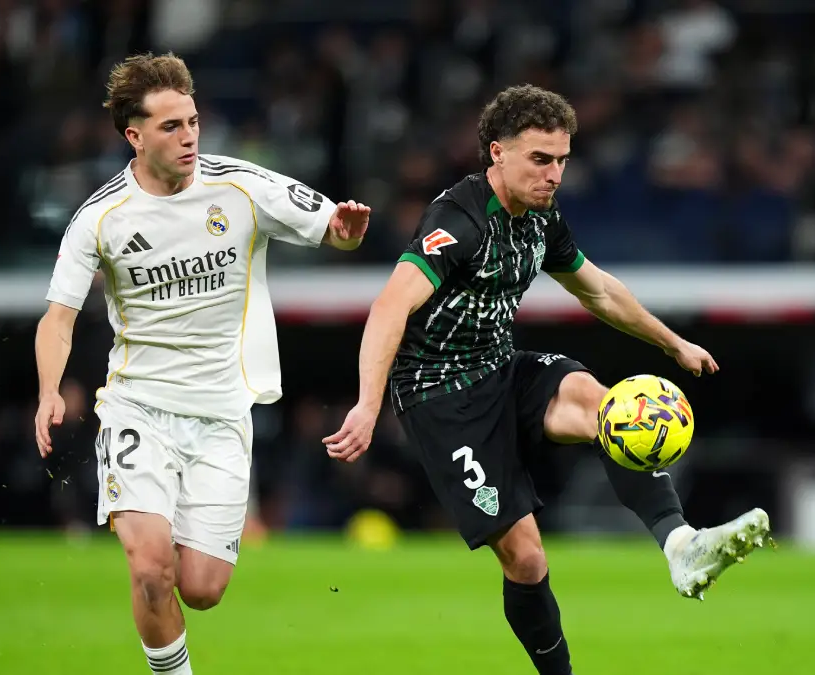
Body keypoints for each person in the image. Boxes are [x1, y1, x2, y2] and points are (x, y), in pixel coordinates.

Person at [323, 85, 770, 675]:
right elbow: (389, 308)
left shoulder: (541, 219)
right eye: (540, 159)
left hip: (501, 368)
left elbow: (599, 289)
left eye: (562, 159)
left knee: (612, 408)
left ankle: (680, 545)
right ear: (496, 154)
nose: (554, 174)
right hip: (441, 397)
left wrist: (674, 342)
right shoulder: (457, 221)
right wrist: (367, 405)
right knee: (528, 560)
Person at [33, 53, 370, 675]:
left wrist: (346, 231)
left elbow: (335, 229)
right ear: (133, 136)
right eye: (170, 126)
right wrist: (50, 389)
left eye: (192, 121)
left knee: (203, 588)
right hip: (139, 408)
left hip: (221, 416)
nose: (189, 136)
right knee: (151, 568)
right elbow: (58, 317)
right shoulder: (99, 219)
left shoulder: (241, 186)